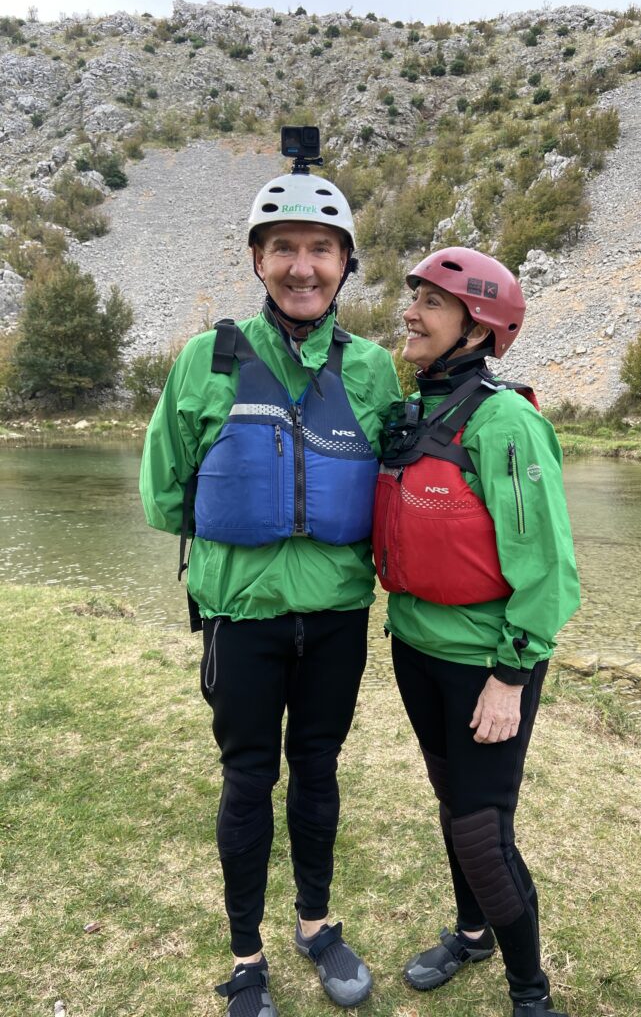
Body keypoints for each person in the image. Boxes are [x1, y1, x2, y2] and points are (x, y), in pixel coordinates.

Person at [140, 153, 400, 1017]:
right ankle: (247, 955)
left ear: (344, 263)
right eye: (283, 247)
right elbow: (164, 490)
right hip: (240, 619)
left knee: (318, 772)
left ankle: (316, 926)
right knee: (248, 779)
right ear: (258, 260)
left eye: (321, 250)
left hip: (333, 617)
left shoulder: (372, 371)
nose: (302, 266)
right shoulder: (203, 361)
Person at [373, 247, 580, 1016]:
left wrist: (512, 674)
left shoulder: (508, 422)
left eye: (431, 301)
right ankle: (471, 934)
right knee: (450, 802)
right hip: (415, 647)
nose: (411, 312)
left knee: (483, 832)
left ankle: (531, 994)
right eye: (414, 296)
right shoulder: (418, 411)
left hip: (486, 664)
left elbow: (550, 571)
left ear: (478, 323)